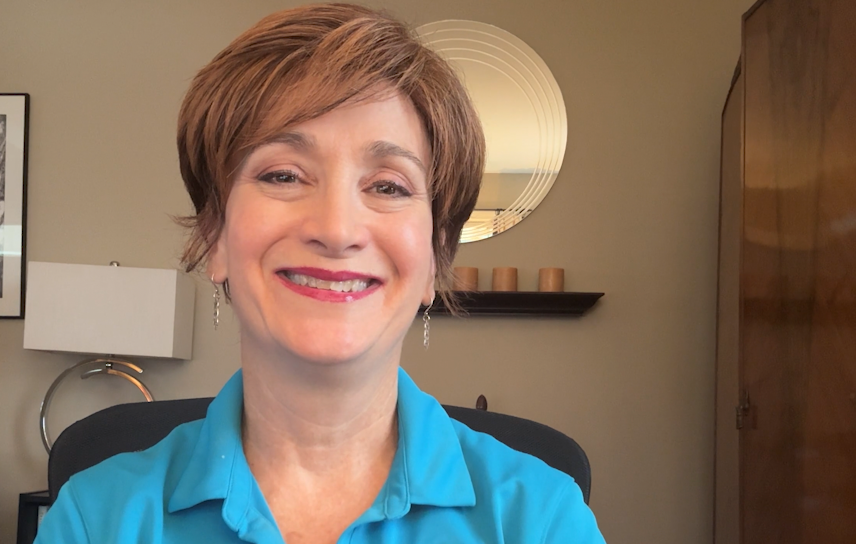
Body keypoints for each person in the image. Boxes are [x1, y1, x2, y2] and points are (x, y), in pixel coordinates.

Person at [35, 4, 605, 543]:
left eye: (388, 186)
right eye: (283, 175)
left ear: (435, 257)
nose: (336, 228)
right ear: (215, 236)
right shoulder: (95, 518)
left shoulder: (541, 517)